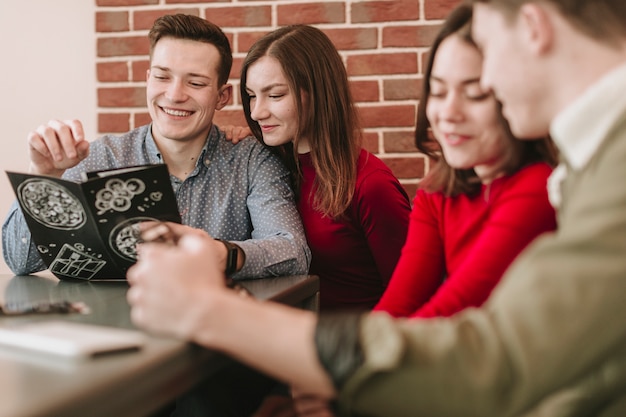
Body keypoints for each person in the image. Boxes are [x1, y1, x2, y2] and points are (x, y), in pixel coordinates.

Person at [127, 1, 626, 416]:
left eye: (479, 80)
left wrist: (212, 310)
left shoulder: (553, 182)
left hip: (379, 362)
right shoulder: (275, 163)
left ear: (535, 28)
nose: (258, 112)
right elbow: (407, 310)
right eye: (253, 98)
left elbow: (482, 350)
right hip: (350, 356)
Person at [2, 14, 310, 280]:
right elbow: (20, 261)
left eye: (196, 83)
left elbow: (293, 251)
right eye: (162, 77)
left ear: (222, 96)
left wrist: (219, 253)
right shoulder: (99, 157)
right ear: (148, 79)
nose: (174, 95)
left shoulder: (252, 160)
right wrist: (44, 175)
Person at [373, 5, 557, 319]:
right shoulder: (439, 190)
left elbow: (449, 313)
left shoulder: (539, 185)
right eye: (438, 91)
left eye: (475, 94)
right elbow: (397, 308)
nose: (448, 113)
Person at [240, 24, 411, 311]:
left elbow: (411, 296)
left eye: (275, 95)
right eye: (252, 95)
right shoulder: (268, 169)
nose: (257, 112)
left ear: (317, 92)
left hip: (353, 347)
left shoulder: (370, 184)